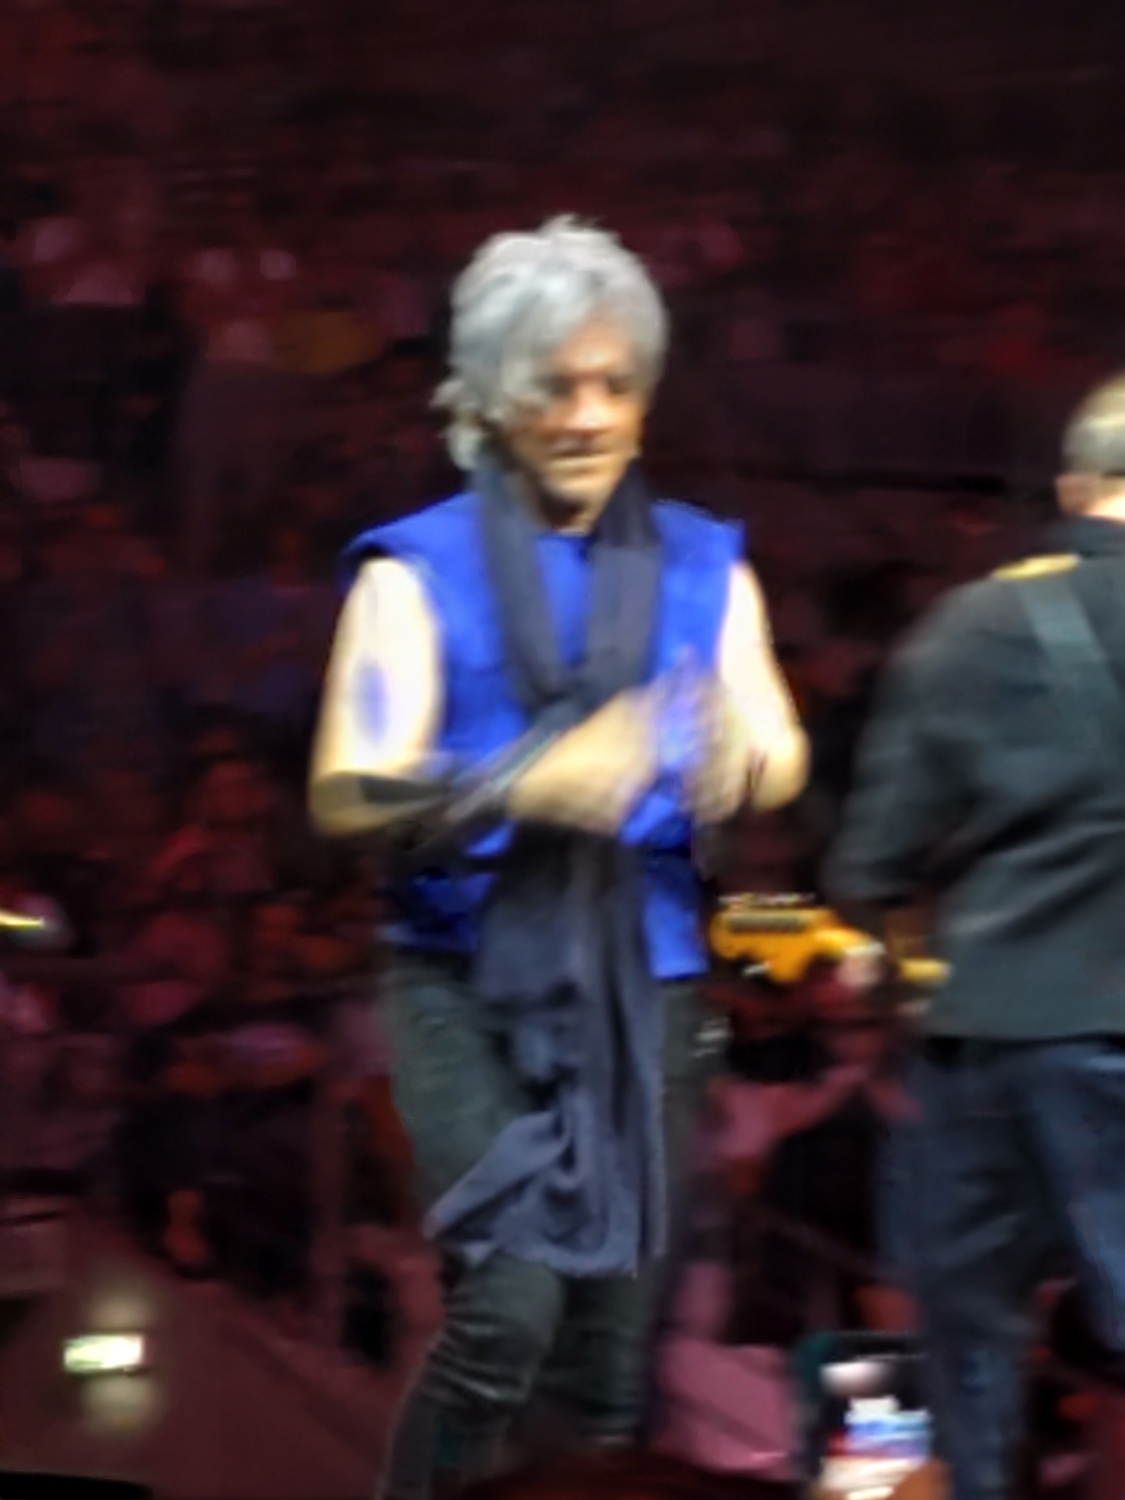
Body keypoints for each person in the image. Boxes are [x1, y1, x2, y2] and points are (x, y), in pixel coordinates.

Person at [309, 218, 807, 1498]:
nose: (588, 415)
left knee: (612, 1362)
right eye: (553, 386)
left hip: (648, 982)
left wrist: (735, 762)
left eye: (616, 384)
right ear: (489, 396)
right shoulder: (413, 572)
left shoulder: (704, 560)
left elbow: (778, 748)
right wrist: (526, 781)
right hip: (463, 983)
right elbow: (344, 792)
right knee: (508, 1314)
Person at [826, 372, 1125, 1500]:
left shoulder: (966, 625)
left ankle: (887, 1492)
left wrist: (895, 978)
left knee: (918, 1327)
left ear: (1074, 487)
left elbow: (867, 866)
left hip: (977, 1040)